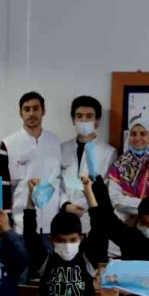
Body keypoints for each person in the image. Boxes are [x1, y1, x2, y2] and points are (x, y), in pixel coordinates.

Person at [0, 92, 63, 240]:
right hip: (20, 225)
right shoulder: (8, 143)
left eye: (36, 108)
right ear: (20, 113)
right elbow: (3, 185)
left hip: (52, 225)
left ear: (43, 111)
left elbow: (59, 181)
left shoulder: (55, 141)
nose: (31, 113)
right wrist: (7, 221)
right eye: (27, 109)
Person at [60, 96, 117, 234]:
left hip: (91, 218)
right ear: (73, 119)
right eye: (79, 116)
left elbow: (106, 187)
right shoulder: (62, 148)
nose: (84, 120)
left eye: (89, 116)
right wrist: (65, 205)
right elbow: (56, 182)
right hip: (63, 217)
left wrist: (81, 206)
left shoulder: (108, 152)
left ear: (97, 121)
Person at [105, 122, 149, 224]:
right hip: (123, 223)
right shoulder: (119, 165)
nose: (137, 138)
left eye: (143, 134)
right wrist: (144, 204)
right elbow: (114, 199)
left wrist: (127, 202)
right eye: (133, 134)